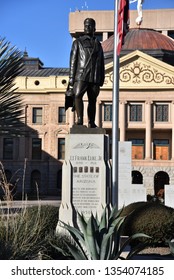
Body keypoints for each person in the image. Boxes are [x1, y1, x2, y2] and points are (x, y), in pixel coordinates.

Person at [68, 18, 105, 128]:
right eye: (85, 25)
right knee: (78, 95)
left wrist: (101, 77)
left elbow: (101, 62)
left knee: (92, 100)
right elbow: (73, 60)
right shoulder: (78, 42)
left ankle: (91, 122)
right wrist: (71, 77)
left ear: (94, 28)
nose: (87, 27)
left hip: (94, 76)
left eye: (89, 26)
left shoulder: (98, 44)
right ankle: (80, 120)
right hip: (81, 74)